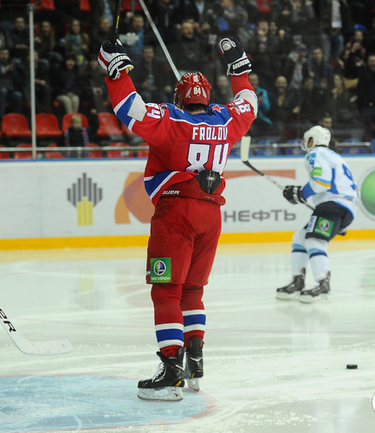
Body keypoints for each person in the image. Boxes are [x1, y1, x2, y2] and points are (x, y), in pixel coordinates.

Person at [98, 37, 257, 401]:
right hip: (211, 214)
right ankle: (194, 362)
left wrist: (116, 68)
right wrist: (238, 68)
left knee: (166, 289)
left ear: (179, 98)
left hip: (176, 212)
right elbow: (249, 101)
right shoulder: (226, 120)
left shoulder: (170, 119)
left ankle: (171, 369)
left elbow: (130, 108)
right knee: (192, 290)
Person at [276, 125, 359, 303]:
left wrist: (301, 193)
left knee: (315, 241)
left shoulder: (315, 154)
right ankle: (298, 280)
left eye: (307, 141)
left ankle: (322, 283)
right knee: (300, 237)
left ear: (313, 140)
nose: (306, 145)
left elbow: (321, 183)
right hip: (343, 207)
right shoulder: (334, 156)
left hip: (333, 205)